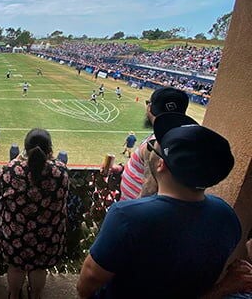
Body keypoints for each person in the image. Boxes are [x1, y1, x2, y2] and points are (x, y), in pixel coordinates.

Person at [76, 112, 241, 299]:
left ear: (161, 164)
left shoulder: (127, 216)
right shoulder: (227, 215)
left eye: (153, 148)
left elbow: (89, 278)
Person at [0, 129, 69, 299]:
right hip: (47, 236)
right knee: (39, 269)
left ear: (25, 148)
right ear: (50, 149)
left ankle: (14, 295)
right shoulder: (60, 172)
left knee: (16, 268)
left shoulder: (12, 171)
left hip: (15, 235)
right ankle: (36, 296)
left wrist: (16, 160)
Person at [117, 87, 189, 201]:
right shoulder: (170, 135)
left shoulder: (158, 142)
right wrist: (122, 168)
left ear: (150, 107)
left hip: (134, 212)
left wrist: (128, 211)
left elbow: (150, 189)